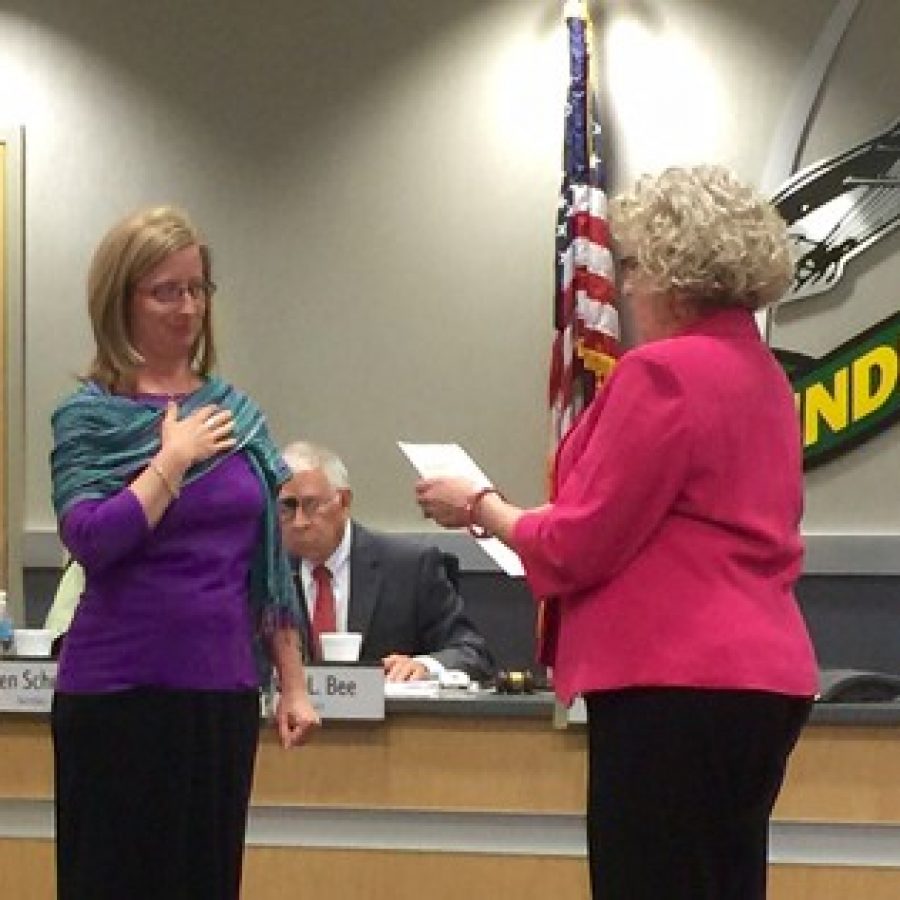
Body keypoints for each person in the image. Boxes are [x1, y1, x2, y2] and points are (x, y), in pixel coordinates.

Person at [416, 166, 818, 900]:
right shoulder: (763, 377)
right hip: (761, 681)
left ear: (675, 270)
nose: (625, 288)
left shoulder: (662, 374)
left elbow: (580, 541)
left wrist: (481, 506)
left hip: (674, 681)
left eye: (632, 266)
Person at [49, 206, 320, 900]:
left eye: (197, 288)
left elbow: (266, 560)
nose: (188, 307)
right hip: (116, 694)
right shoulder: (89, 417)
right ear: (122, 300)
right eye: (165, 290)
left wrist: (291, 682)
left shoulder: (234, 414)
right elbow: (93, 539)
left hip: (218, 692)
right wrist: (171, 460)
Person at [279, 441, 494, 683]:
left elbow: (472, 654)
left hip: (391, 718)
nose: (299, 522)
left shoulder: (409, 567)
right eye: (286, 507)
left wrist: (424, 666)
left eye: (310, 505)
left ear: (344, 501)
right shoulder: (264, 574)